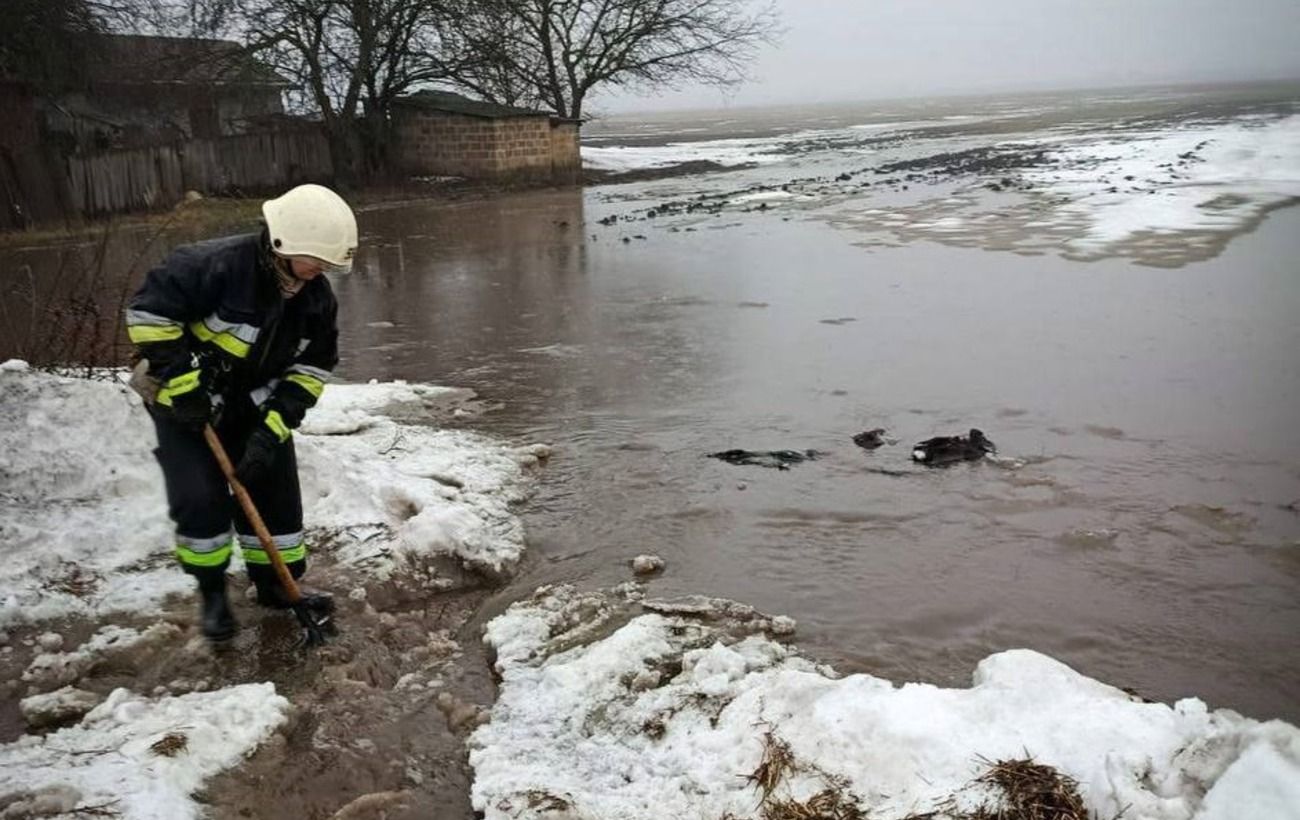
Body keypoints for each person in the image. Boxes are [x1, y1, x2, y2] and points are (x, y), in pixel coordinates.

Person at [124, 183, 357, 643]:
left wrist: (271, 430)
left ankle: (278, 585)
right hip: (185, 406)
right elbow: (149, 316)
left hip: (253, 406)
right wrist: (185, 386)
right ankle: (212, 594)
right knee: (201, 502)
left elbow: (313, 368)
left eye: (327, 263)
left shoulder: (315, 298)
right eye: (315, 260)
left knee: (277, 497)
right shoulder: (213, 266)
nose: (322, 270)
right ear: (283, 244)